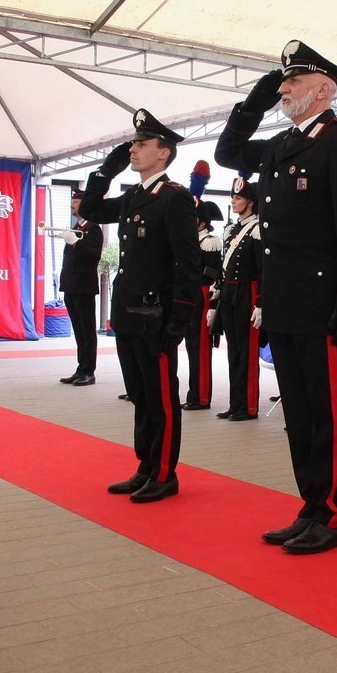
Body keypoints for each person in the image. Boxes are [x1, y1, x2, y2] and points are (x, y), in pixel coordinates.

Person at [215, 39, 337, 554]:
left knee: (327, 413)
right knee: (300, 414)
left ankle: (333, 515)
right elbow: (228, 153)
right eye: (281, 82)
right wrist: (255, 102)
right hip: (284, 303)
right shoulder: (283, 145)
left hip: (324, 303)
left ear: (324, 90)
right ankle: (310, 507)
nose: (284, 88)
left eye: (293, 82)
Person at [79, 109, 201, 503]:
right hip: (130, 312)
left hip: (158, 314)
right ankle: (146, 466)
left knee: (161, 396)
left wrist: (179, 319)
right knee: (140, 394)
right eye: (133, 143)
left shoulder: (175, 199)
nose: (133, 149)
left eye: (141, 144)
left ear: (162, 153)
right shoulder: (134, 194)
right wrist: (106, 169)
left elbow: (188, 264)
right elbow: (91, 210)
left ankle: (165, 473)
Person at [213, 177, 263, 421]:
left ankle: (249, 406)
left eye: (239, 198)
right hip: (230, 292)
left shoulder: (257, 228)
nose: (234, 202)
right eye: (233, 197)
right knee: (233, 349)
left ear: (250, 202)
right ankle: (235, 403)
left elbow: (263, 270)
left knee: (247, 351)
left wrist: (261, 302)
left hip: (248, 292)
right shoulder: (231, 229)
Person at [58, 191, 104, 386]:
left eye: (76, 203)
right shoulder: (77, 227)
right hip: (71, 285)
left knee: (87, 330)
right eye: (72, 203)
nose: (72, 206)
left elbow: (94, 256)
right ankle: (80, 367)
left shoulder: (93, 229)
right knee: (78, 330)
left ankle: (89, 370)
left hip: (84, 286)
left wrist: (76, 242)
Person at [185, 194, 223, 410]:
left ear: (202, 221)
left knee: (200, 347)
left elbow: (213, 273)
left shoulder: (210, 241)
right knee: (191, 345)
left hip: (203, 295)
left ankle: (201, 396)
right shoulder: (192, 239)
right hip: (190, 294)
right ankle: (193, 393)